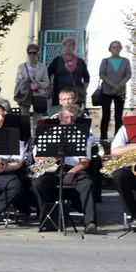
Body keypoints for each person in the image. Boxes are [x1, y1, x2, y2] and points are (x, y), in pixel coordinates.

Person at [31, 96, 98, 234]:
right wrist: (50, 160)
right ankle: (48, 217)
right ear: (60, 118)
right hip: (52, 168)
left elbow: (85, 162)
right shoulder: (48, 134)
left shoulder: (82, 136)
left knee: (87, 183)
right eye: (67, 117)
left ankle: (90, 222)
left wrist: (72, 172)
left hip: (74, 169)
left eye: (72, 118)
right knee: (37, 183)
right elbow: (36, 156)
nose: (69, 121)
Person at [97, 40, 132, 141]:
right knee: (106, 115)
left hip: (120, 92)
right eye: (113, 47)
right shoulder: (105, 61)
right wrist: (113, 85)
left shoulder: (125, 61)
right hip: (106, 91)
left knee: (118, 115)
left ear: (120, 48)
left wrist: (119, 86)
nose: (116, 49)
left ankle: (118, 138)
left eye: (118, 47)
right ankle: (103, 138)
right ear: (110, 49)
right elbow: (102, 74)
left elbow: (128, 75)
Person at [107, 123, 136, 227]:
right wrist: (134, 147)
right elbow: (115, 151)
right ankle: (133, 213)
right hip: (131, 169)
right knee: (118, 176)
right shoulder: (126, 129)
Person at [47, 36, 90, 105]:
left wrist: (83, 90)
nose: (67, 47)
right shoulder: (57, 60)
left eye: (70, 45)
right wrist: (49, 87)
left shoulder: (80, 61)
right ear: (63, 47)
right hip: (60, 93)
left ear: (74, 47)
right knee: (60, 111)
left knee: (75, 110)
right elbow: (47, 74)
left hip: (75, 94)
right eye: (65, 45)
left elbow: (86, 78)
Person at [14, 43, 50, 119]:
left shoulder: (42, 67)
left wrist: (38, 85)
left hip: (38, 94)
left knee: (38, 117)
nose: (32, 55)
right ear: (27, 54)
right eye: (30, 53)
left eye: (34, 53)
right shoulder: (22, 67)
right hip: (25, 94)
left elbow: (46, 82)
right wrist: (28, 85)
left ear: (38, 53)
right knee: (25, 118)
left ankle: (35, 126)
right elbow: (18, 81)